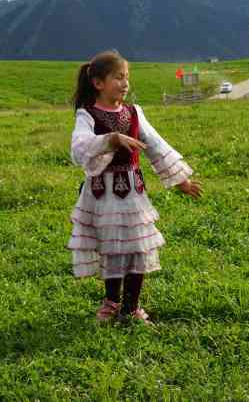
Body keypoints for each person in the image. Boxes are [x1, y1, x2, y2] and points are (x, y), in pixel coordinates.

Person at [68, 50, 202, 324]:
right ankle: (111, 303)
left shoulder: (134, 113)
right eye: (118, 77)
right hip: (102, 195)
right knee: (112, 247)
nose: (125, 83)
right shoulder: (88, 114)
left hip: (132, 194)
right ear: (98, 83)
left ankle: (131, 307)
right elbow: (78, 147)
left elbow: (156, 146)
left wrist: (181, 180)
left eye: (127, 77)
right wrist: (112, 139)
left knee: (137, 248)